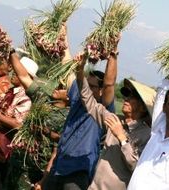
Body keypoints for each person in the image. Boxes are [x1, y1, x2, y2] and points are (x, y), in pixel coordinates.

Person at [40, 43, 120, 189]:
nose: (87, 88)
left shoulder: (103, 108)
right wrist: (64, 34)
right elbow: (69, 68)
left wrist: (113, 52)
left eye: (92, 86)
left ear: (101, 91)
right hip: (59, 165)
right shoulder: (78, 97)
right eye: (86, 84)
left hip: (78, 171)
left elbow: (109, 84)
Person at [88, 78, 156, 190]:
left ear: (143, 107)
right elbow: (90, 103)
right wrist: (79, 73)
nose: (126, 98)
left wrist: (122, 138)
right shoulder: (116, 120)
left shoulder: (147, 135)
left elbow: (138, 167)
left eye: (132, 96)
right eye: (126, 94)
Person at [0, 56, 35, 190]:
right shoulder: (11, 91)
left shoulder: (26, 97)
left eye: (16, 71)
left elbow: (17, 124)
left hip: (4, 151)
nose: (13, 73)